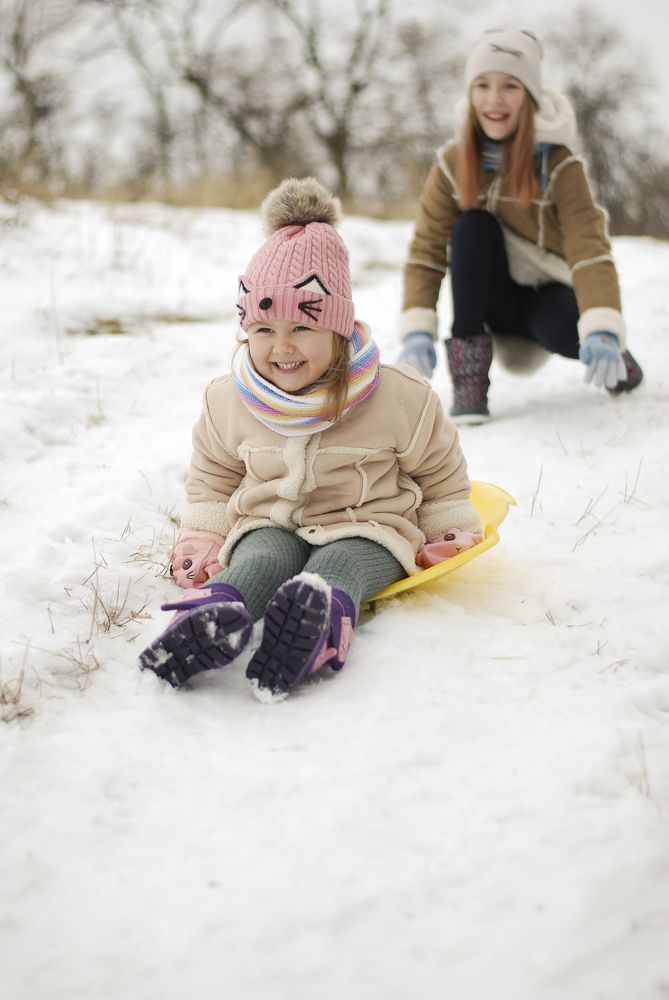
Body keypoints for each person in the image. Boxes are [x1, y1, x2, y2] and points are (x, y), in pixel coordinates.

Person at [139, 177, 482, 701]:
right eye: (262, 330)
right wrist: (204, 537)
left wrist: (449, 528)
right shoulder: (227, 400)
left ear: (338, 330)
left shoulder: (399, 396)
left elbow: (439, 472)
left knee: (341, 561)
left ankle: (319, 618)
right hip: (270, 520)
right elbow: (212, 479)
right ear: (244, 331)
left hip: (368, 526)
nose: (281, 348)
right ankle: (216, 612)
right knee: (259, 556)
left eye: (302, 328)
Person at [397, 26, 643, 424]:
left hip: (549, 296)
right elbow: (425, 251)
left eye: (509, 86)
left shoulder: (558, 164)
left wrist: (602, 327)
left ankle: (618, 362)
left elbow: (589, 248)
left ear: (529, 94)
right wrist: (416, 329)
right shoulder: (451, 163)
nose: (494, 100)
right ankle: (470, 378)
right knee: (472, 227)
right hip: (493, 298)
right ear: (470, 92)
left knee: (564, 328)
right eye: (483, 85)